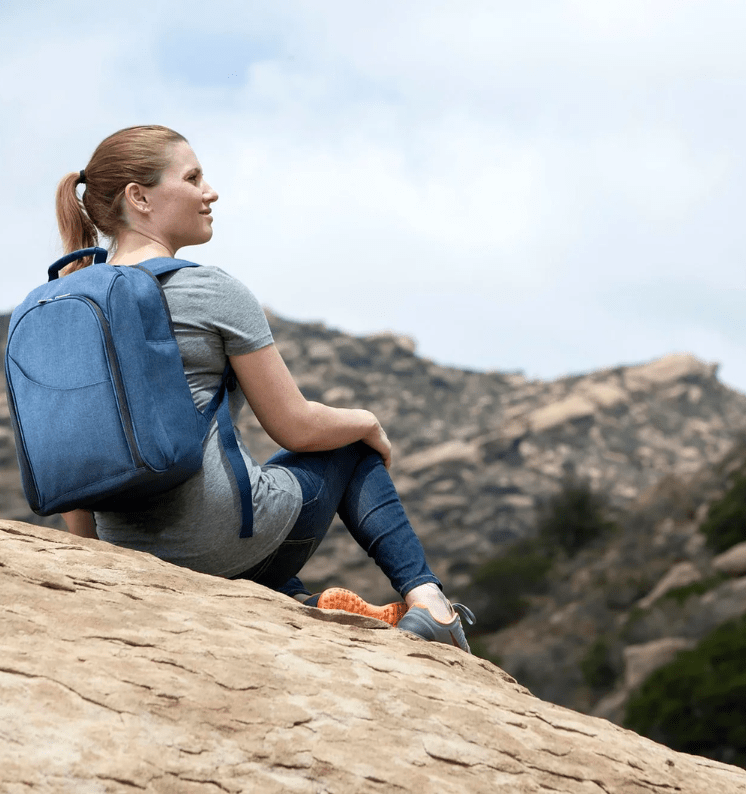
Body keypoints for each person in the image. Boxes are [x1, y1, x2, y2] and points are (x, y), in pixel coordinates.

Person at [56, 125, 474, 651]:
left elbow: (71, 458)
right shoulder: (208, 288)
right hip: (221, 541)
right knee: (344, 443)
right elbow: (295, 426)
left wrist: (99, 559)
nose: (210, 191)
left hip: (127, 551)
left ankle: (297, 603)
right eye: (192, 177)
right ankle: (431, 605)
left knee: (258, 495)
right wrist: (366, 421)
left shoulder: (68, 302)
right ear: (139, 198)